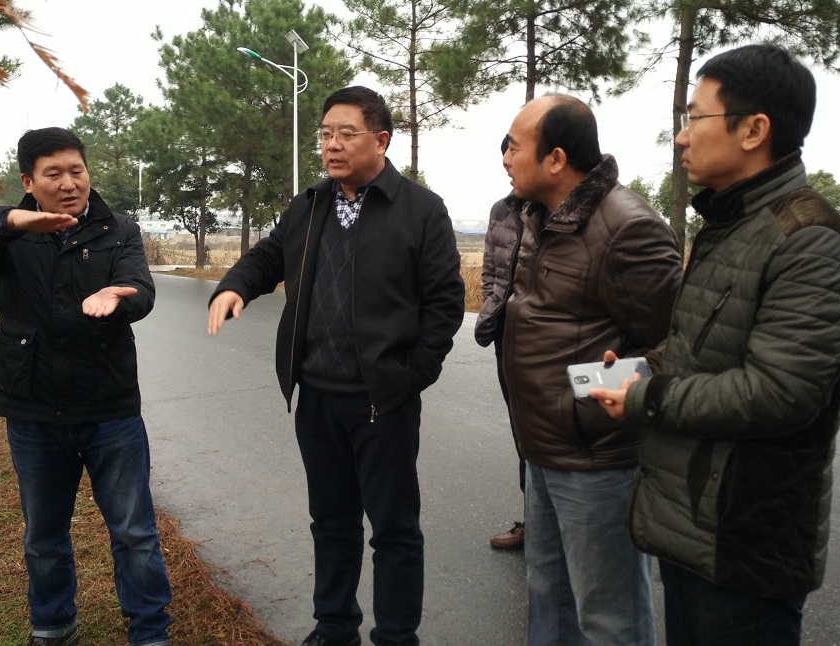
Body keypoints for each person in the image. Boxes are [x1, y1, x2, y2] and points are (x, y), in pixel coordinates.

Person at [589, 44, 840, 646]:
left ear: (754, 130)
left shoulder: (807, 241)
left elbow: (779, 393)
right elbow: (699, 350)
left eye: (696, 118)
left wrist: (646, 397)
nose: (682, 137)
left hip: (742, 538)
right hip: (693, 525)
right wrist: (643, 369)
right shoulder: (732, 227)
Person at [207, 86, 464, 646]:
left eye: (347, 133)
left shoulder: (421, 210)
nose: (332, 145)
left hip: (384, 401)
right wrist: (233, 287)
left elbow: (445, 304)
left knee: (394, 529)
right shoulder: (309, 205)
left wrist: (410, 375)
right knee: (331, 522)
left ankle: (396, 635)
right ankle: (335, 626)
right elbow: (267, 257)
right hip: (317, 398)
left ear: (382, 140)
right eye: (325, 134)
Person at [0, 127, 172, 646]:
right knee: (44, 535)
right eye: (54, 174)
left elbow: (140, 288)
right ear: (29, 181)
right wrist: (11, 220)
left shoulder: (118, 229)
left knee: (134, 532)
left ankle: (150, 630)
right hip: (34, 409)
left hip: (109, 406)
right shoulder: (10, 235)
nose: (69, 183)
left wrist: (120, 295)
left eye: (77, 170)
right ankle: (53, 624)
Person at [501, 94, 683, 645]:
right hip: (543, 449)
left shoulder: (626, 227)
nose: (505, 157)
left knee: (610, 618)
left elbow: (675, 342)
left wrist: (593, 405)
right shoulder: (542, 216)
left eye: (514, 145)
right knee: (549, 600)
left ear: (556, 159)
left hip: (597, 460)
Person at [475, 135, 526, 550]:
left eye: (514, 151)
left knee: (552, 434)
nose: (506, 161)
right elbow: (491, 270)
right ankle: (535, 520)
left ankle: (558, 526)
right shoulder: (502, 210)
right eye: (503, 152)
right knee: (523, 430)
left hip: (548, 341)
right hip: (506, 336)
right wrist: (491, 308)